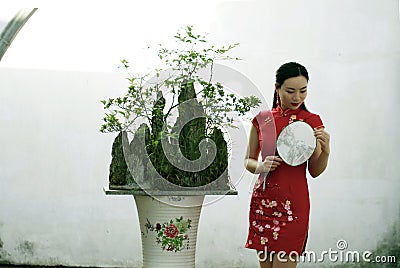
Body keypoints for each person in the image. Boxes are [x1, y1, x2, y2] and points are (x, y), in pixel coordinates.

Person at [244, 62, 330, 268]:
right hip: (263, 202)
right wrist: (261, 166)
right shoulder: (261, 120)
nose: (297, 98)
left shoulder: (311, 121)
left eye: (303, 91)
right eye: (290, 91)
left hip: (294, 206)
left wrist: (326, 150)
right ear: (277, 88)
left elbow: (315, 171)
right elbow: (248, 160)